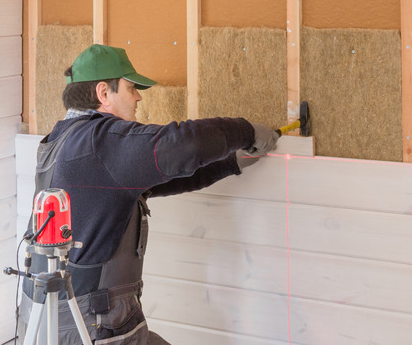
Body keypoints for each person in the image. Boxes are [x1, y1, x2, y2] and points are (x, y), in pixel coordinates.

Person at [17, 44, 279, 344]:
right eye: (131, 88)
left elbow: (164, 177)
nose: (138, 97)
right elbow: (185, 145)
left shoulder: (63, 139)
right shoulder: (100, 141)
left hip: (50, 318)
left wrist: (232, 160)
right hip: (89, 326)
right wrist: (247, 132)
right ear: (104, 93)